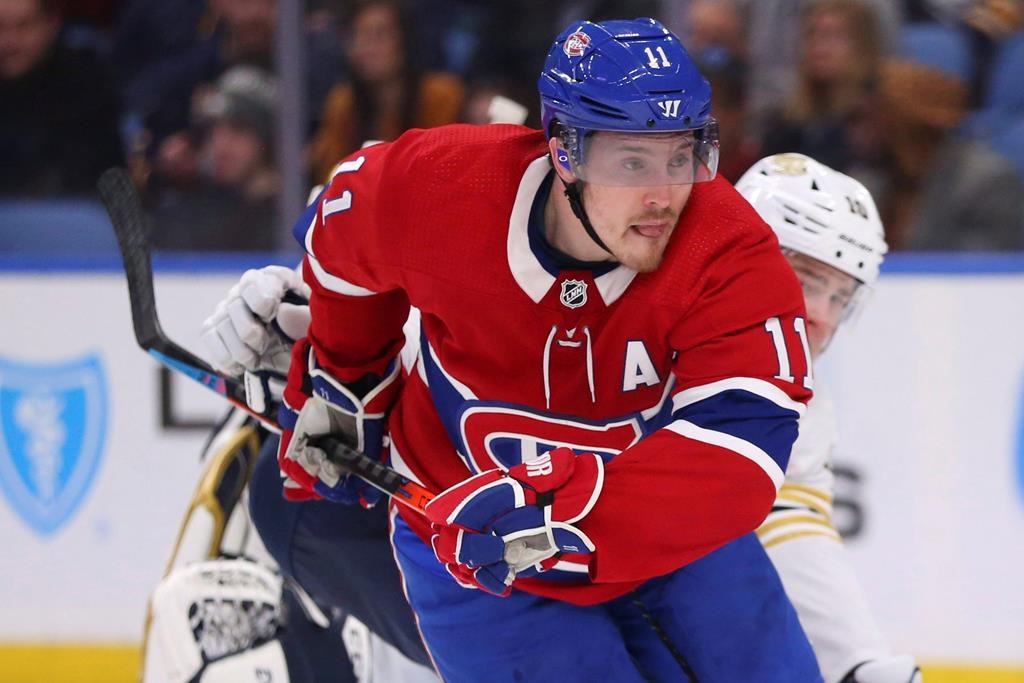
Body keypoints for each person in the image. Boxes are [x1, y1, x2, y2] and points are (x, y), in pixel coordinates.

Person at [265, 16, 822, 682]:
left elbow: (743, 449)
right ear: (565, 152)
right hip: (477, 556)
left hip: (665, 539)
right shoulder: (447, 188)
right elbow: (341, 237)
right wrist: (346, 375)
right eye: (632, 161)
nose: (664, 195)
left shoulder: (727, 250)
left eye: (682, 156)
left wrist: (573, 508)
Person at [736, 154, 922, 683]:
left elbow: (792, 524)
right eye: (807, 279)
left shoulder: (802, 403)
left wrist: (861, 663)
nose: (822, 316)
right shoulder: (628, 328)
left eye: (841, 296)